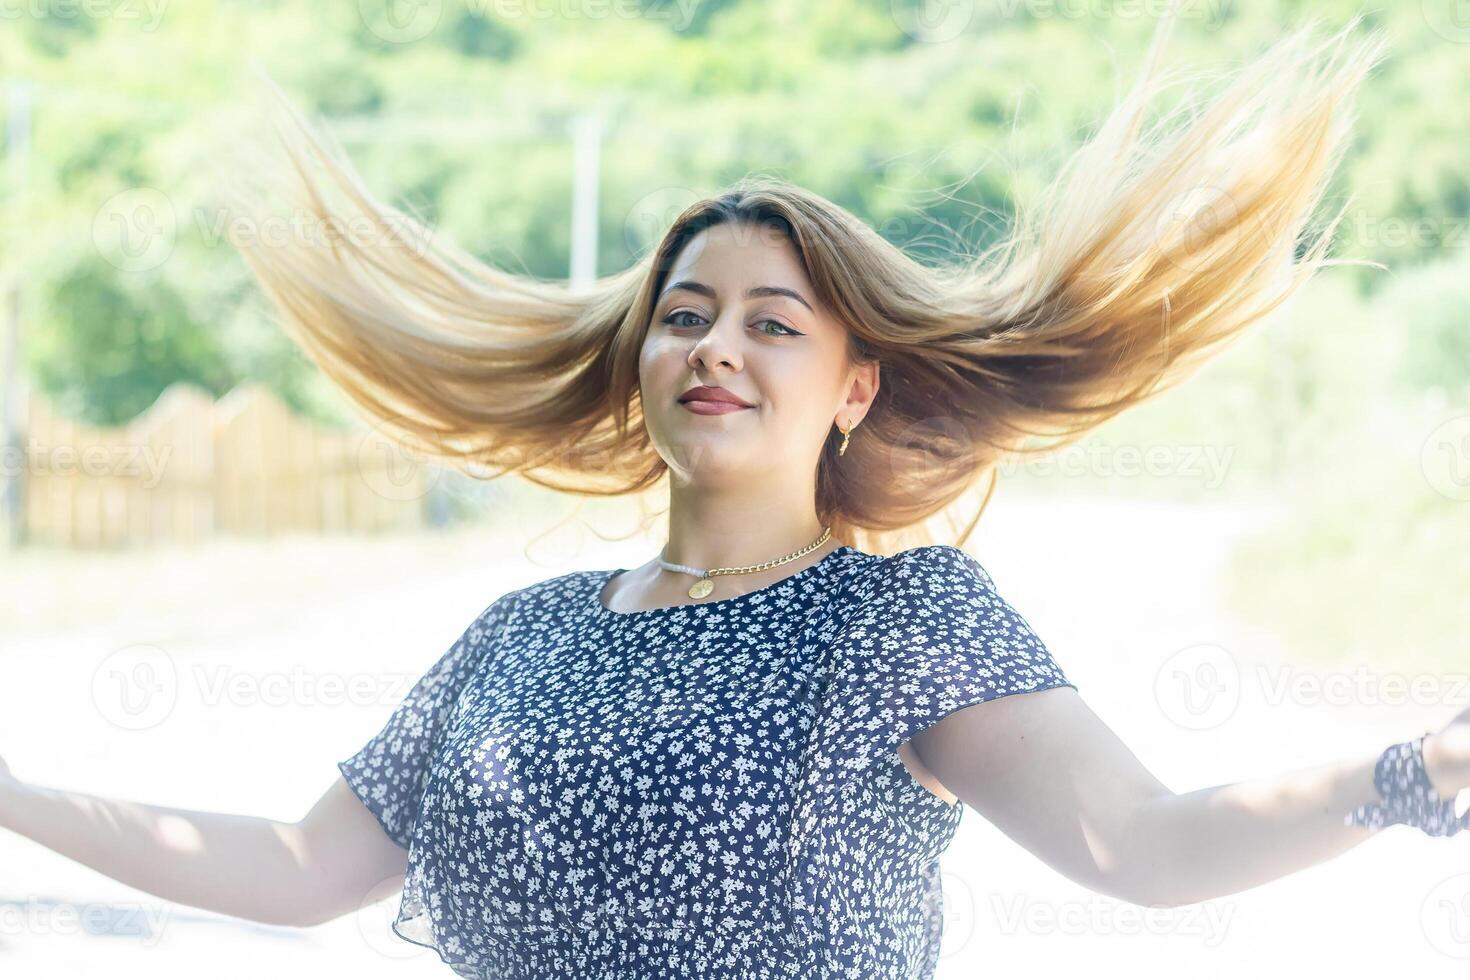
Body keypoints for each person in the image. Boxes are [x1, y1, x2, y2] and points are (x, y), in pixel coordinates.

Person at [3, 11, 1466, 980]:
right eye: (685, 313)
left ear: (852, 390)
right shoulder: (519, 634)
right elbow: (298, 866)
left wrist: (1414, 771)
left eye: (775, 323)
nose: (716, 343)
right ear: (640, 361)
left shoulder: (899, 621)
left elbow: (1142, 847)